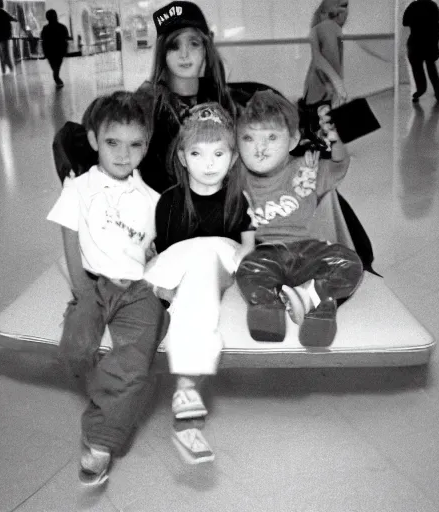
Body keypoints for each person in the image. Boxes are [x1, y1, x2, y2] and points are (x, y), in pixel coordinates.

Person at [47, 91, 168, 487]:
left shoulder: (152, 200)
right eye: (113, 143)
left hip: (138, 291)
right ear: (95, 139)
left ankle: (100, 440)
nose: (123, 155)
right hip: (94, 285)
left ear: (146, 147)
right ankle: (112, 392)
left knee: (133, 363)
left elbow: (155, 252)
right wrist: (82, 289)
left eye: (135, 145)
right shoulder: (78, 188)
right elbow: (69, 234)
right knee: (75, 349)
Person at [143, 103, 255, 464]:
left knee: (208, 256)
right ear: (182, 156)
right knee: (195, 264)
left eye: (219, 153)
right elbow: (159, 258)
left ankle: (188, 396)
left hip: (217, 271)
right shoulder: (168, 202)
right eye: (197, 153)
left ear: (233, 158)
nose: (209, 164)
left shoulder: (239, 202)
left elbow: (246, 258)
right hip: (173, 275)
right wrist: (162, 287)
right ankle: (188, 399)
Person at [235, 90, 363, 346]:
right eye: (249, 138)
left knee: (350, 263)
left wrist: (336, 140)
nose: (259, 148)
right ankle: (270, 312)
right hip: (266, 253)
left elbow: (339, 166)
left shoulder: (305, 168)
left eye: (272, 137)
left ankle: (313, 302)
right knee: (248, 270)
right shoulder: (236, 174)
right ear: (237, 143)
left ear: (293, 140)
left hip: (308, 251)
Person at [138, 0, 237, 193]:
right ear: (162, 51)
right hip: (169, 210)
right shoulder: (148, 105)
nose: (184, 54)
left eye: (194, 44)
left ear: (206, 46)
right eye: (174, 46)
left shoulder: (223, 99)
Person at [301, 0, 349, 149]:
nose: (347, 11)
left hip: (316, 88)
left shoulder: (318, 26)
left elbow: (319, 59)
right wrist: (338, 85)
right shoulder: (329, 27)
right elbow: (321, 60)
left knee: (318, 134)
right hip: (322, 89)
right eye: (343, 5)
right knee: (325, 136)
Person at [403, 0, 439, 103]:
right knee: (431, 67)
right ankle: (438, 91)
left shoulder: (413, 6)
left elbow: (405, 22)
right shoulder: (432, 6)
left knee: (417, 68)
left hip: (415, 41)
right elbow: (437, 26)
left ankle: (421, 89)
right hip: (429, 41)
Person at [40, 9, 70, 88]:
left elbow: (43, 39)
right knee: (57, 65)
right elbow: (66, 37)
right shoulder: (62, 27)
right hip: (59, 50)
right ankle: (56, 76)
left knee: (53, 65)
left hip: (49, 51)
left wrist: (44, 52)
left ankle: (56, 76)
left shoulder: (45, 28)